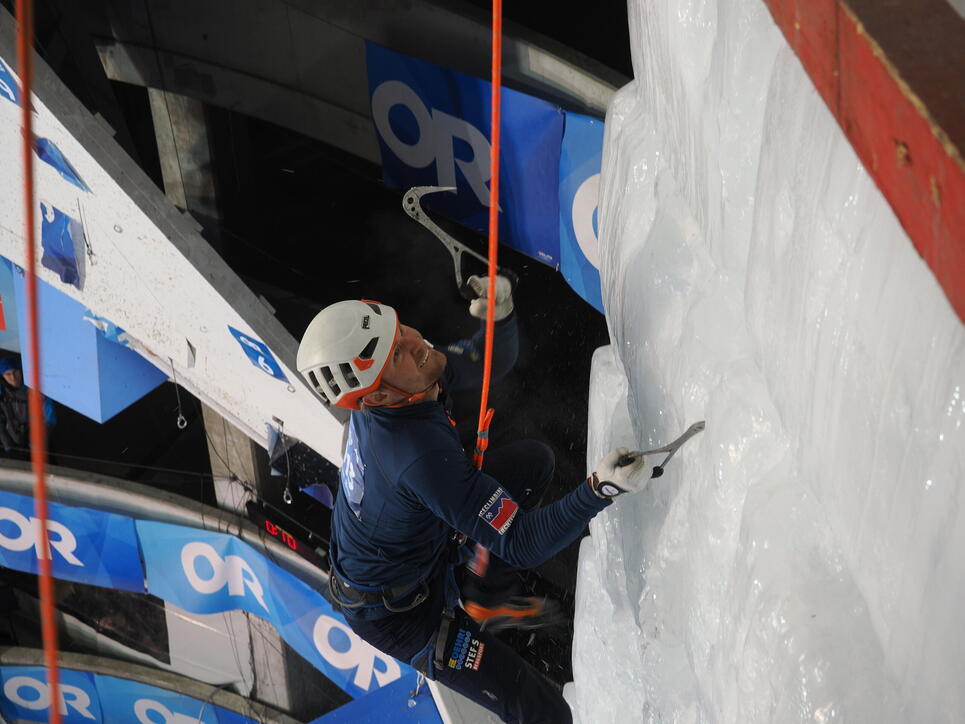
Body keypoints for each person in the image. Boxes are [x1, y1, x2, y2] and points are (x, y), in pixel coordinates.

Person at [296, 278, 653, 723]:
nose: (416, 342)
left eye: (400, 329)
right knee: (538, 707)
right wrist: (599, 489)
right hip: (401, 617)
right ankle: (475, 587)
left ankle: (482, 591)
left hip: (410, 551)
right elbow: (522, 542)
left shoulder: (403, 384)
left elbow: (482, 361)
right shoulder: (417, 457)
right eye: (398, 352)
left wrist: (501, 318)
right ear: (379, 395)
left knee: (532, 464)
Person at [0, 356, 56, 458]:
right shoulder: (2, 394)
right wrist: (7, 445)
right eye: (8, 374)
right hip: (13, 442)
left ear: (21, 371)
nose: (13, 377)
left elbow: (49, 419)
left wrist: (36, 444)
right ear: (2, 376)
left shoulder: (36, 390)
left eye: (15, 372)